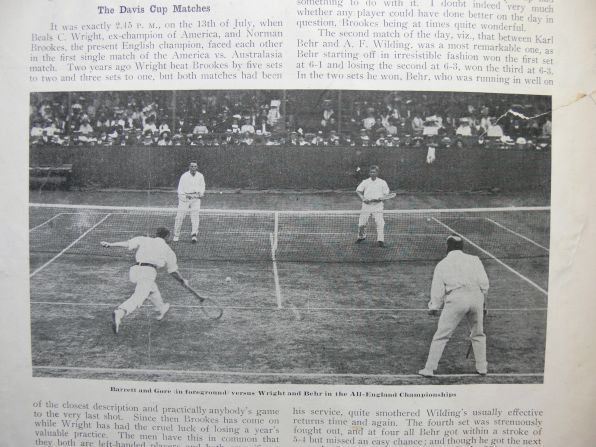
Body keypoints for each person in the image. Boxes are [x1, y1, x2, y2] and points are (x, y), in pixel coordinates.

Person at [418, 235, 489, 377]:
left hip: (457, 299)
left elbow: (437, 289)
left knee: (441, 335)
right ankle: (482, 368)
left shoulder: (442, 264)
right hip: (476, 297)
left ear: (448, 247)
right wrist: (483, 303)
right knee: (478, 334)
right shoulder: (475, 260)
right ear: (461, 247)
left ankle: (429, 369)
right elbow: (484, 284)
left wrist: (434, 307)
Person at [101, 227, 189, 334]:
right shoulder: (168, 250)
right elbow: (173, 271)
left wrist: (110, 244)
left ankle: (161, 308)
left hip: (134, 271)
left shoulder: (144, 239)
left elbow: (127, 243)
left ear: (156, 234)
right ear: (167, 237)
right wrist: (182, 280)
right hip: (147, 272)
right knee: (139, 297)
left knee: (152, 289)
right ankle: (120, 312)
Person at [355, 165, 390, 248]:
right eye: (371, 172)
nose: (372, 173)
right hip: (366, 206)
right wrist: (363, 198)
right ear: (369, 173)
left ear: (377, 173)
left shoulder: (382, 182)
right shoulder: (365, 182)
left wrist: (380, 199)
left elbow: (386, 194)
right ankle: (361, 237)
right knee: (361, 224)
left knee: (380, 223)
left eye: (374, 172)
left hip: (378, 206)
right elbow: (358, 191)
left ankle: (381, 240)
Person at [174, 161, 205, 243]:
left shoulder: (200, 176)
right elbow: (180, 189)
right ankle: (176, 236)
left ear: (197, 167)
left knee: (195, 217)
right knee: (179, 217)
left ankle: (194, 235)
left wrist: (201, 194)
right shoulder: (184, 176)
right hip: (185, 199)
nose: (193, 168)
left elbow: (202, 186)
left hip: (196, 199)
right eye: (192, 166)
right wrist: (185, 196)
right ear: (189, 167)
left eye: (195, 166)